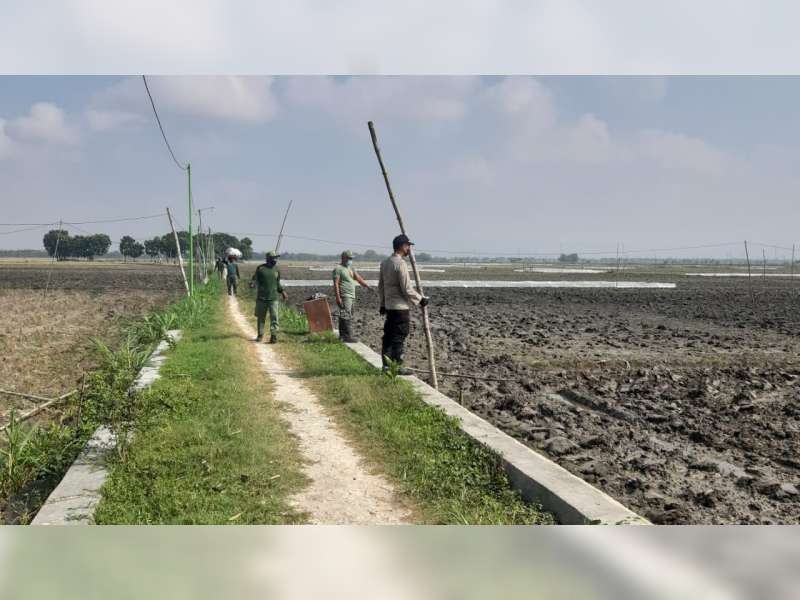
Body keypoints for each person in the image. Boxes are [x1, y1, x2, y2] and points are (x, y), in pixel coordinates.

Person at [378, 234, 429, 374]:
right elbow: (406, 288)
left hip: (389, 306)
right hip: (400, 308)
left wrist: (382, 304)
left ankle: (386, 366)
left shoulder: (385, 263)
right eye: (408, 246)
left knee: (388, 336)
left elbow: (381, 286)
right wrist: (421, 299)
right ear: (402, 246)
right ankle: (398, 366)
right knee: (399, 336)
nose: (409, 249)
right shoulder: (400, 264)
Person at [250, 250, 288, 343]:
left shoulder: (276, 270)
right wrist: (252, 284)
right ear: (268, 259)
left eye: (276, 258)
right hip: (262, 298)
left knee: (274, 317)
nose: (276, 260)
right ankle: (260, 335)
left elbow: (277, 283)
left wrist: (282, 292)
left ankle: (273, 336)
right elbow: (254, 280)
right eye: (274, 258)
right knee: (261, 317)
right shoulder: (260, 269)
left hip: (273, 298)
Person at [333, 250, 370, 343]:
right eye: (349, 258)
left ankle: (343, 336)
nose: (350, 260)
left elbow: (358, 278)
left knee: (347, 314)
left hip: (352, 295)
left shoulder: (350, 268)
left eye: (351, 258)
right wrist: (338, 297)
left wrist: (366, 285)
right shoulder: (338, 269)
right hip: (344, 295)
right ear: (343, 258)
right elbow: (336, 284)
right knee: (345, 315)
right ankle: (346, 336)